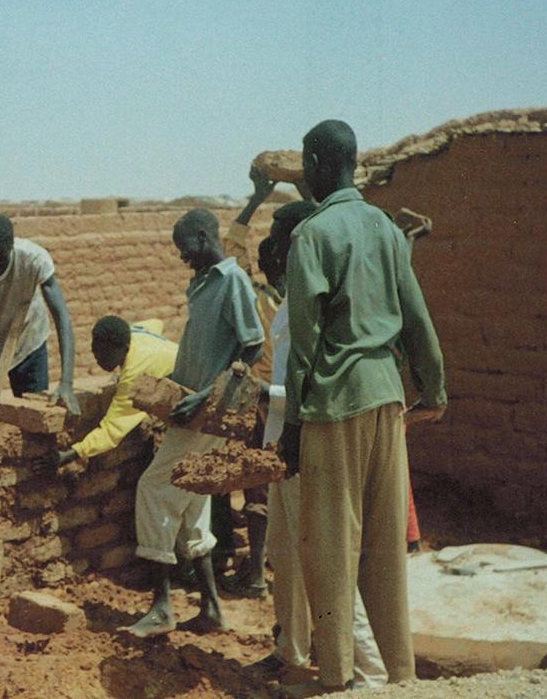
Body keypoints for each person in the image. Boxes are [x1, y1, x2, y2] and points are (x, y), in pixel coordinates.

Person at [280, 120, 447, 694]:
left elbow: (303, 342)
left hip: (335, 400)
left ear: (320, 162)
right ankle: (400, 676)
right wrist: (435, 386)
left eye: (306, 164)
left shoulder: (313, 234)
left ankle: (337, 678)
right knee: (384, 548)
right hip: (388, 396)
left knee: (330, 546)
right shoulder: (384, 227)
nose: (304, 175)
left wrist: (293, 426)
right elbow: (416, 316)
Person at [252, 201, 389, 692]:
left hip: (312, 448)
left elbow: (318, 387)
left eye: (282, 237)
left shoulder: (324, 305)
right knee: (283, 556)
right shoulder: (291, 301)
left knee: (327, 566)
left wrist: (265, 396)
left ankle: (367, 677)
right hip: (281, 450)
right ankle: (291, 651)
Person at [122, 208, 264, 638]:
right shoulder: (202, 284)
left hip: (209, 413)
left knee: (153, 489)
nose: (182, 257)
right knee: (190, 503)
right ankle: (212, 609)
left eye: (184, 248)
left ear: (203, 237)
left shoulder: (232, 279)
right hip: (190, 410)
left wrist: (207, 394)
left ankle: (162, 607)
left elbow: (251, 346)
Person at [212, 168, 287, 595]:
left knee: (249, 482)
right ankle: (262, 568)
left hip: (255, 397)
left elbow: (232, 248)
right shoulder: (300, 298)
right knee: (269, 482)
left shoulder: (258, 295)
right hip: (286, 399)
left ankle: (255, 572)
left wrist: (257, 199)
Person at [0, 213, 79, 414]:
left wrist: (66, 383)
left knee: (35, 419)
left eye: (0, 258)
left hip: (28, 343)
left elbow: (62, 319)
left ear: (11, 246)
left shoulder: (34, 260)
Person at [37, 316, 177, 473]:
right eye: (95, 352)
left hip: (194, 398)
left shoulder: (133, 374)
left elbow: (113, 430)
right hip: (197, 377)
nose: (98, 360)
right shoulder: (134, 332)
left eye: (105, 354)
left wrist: (70, 454)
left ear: (125, 347)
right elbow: (156, 323)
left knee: (152, 488)